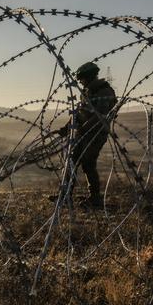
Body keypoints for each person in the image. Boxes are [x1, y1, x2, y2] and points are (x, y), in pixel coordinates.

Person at [55, 62, 117, 208]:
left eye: (82, 79)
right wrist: (67, 127)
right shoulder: (88, 91)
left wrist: (83, 128)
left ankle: (95, 198)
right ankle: (65, 195)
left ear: (88, 77)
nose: (80, 82)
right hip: (82, 132)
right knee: (71, 161)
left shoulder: (104, 92)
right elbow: (80, 112)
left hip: (96, 134)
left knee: (88, 163)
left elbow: (100, 116)